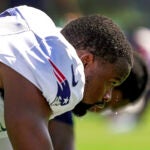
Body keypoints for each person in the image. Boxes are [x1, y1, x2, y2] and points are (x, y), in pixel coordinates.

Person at [0, 5, 133, 150]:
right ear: (86, 61)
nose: (108, 96)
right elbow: (25, 124)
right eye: (111, 82)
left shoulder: (36, 25)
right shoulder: (64, 69)